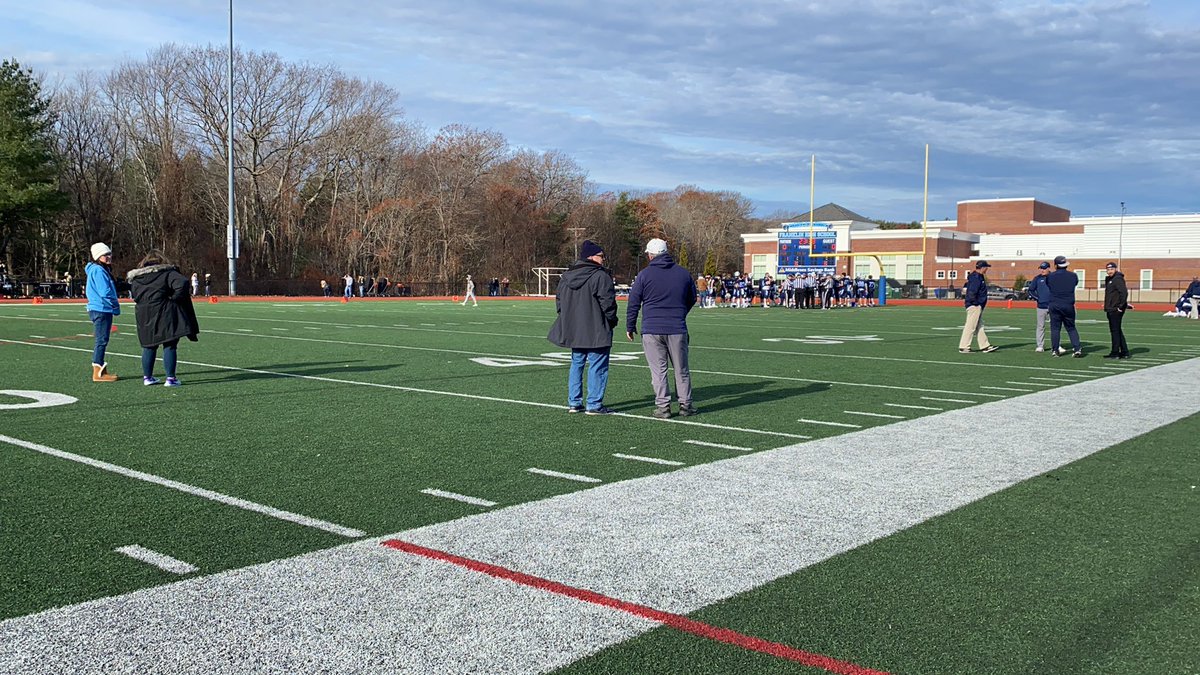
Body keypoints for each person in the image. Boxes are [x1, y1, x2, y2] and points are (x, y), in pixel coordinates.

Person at [625, 238, 697, 418]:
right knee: (681, 369)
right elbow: (692, 298)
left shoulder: (644, 275)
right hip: (676, 327)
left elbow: (633, 302)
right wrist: (680, 313)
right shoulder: (683, 273)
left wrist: (630, 325)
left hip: (651, 328)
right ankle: (686, 405)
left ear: (650, 255)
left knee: (658, 371)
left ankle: (663, 407)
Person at [547, 239, 618, 415]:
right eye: (601, 256)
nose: (603, 259)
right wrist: (612, 320)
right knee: (597, 365)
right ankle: (594, 404)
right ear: (591, 257)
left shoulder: (566, 277)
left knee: (577, 364)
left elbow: (559, 303)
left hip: (574, 328)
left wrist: (568, 319)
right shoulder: (601, 276)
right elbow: (608, 304)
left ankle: (574, 402)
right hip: (596, 329)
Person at [128, 250, 200, 386]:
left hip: (144, 313)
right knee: (170, 344)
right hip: (165, 311)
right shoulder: (167, 273)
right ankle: (170, 378)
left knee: (149, 346)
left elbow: (135, 295)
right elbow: (183, 283)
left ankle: (147, 377)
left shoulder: (137, 278)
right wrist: (173, 298)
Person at [85, 242, 121, 382]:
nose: (109, 256)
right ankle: (97, 372)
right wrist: (115, 306)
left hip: (99, 308)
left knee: (102, 340)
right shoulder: (99, 271)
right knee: (101, 340)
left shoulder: (97, 269)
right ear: (98, 256)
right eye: (105, 254)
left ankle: (99, 368)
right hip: (101, 308)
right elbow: (105, 292)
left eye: (109, 253)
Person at [958, 260, 999, 354]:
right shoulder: (976, 277)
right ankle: (964, 346)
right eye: (986, 267)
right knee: (971, 326)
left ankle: (985, 346)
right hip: (974, 305)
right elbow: (972, 291)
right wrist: (976, 303)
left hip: (976, 305)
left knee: (979, 326)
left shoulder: (979, 276)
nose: (987, 269)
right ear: (982, 267)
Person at [1046, 255, 1083, 357]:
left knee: (1055, 329)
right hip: (1068, 304)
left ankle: (1055, 350)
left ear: (1056, 265)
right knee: (1071, 328)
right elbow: (1074, 284)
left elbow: (1049, 285)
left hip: (1054, 304)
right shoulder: (1073, 276)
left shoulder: (1050, 276)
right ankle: (1077, 349)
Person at [1102, 262, 1130, 359]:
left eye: (1111, 269)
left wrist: (1121, 306)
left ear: (1115, 269)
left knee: (1115, 331)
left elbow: (1124, 293)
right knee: (1117, 330)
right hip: (1111, 308)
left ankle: (1115, 352)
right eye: (1108, 270)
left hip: (1115, 309)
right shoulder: (1110, 279)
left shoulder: (1117, 279)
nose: (1110, 271)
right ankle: (1125, 351)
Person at [1025, 261, 1052, 352]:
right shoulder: (1037, 278)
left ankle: (1056, 345)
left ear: (1048, 268)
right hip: (1041, 306)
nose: (1042, 270)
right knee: (1040, 326)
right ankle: (1040, 345)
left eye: (1044, 268)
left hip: (1053, 306)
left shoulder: (1054, 277)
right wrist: (1038, 298)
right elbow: (1031, 290)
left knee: (1055, 326)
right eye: (1041, 268)